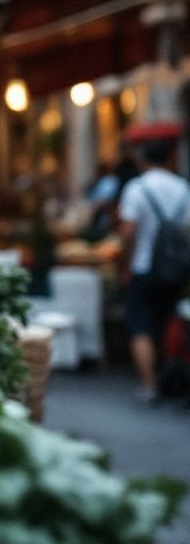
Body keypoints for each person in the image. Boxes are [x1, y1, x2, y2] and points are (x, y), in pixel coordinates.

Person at [116, 137, 190, 404]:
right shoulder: (182, 188)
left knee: (141, 325)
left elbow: (128, 233)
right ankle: (168, 374)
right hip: (176, 268)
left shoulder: (136, 189)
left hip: (144, 266)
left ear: (143, 160)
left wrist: (124, 264)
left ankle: (150, 384)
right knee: (168, 321)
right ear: (169, 159)